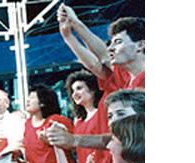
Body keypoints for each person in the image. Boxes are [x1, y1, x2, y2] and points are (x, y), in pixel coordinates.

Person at [52, 6, 145, 150]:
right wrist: (71, 29)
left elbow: (126, 138)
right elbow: (100, 59)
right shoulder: (126, 77)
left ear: (141, 45)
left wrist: (74, 140)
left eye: (118, 42)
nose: (110, 48)